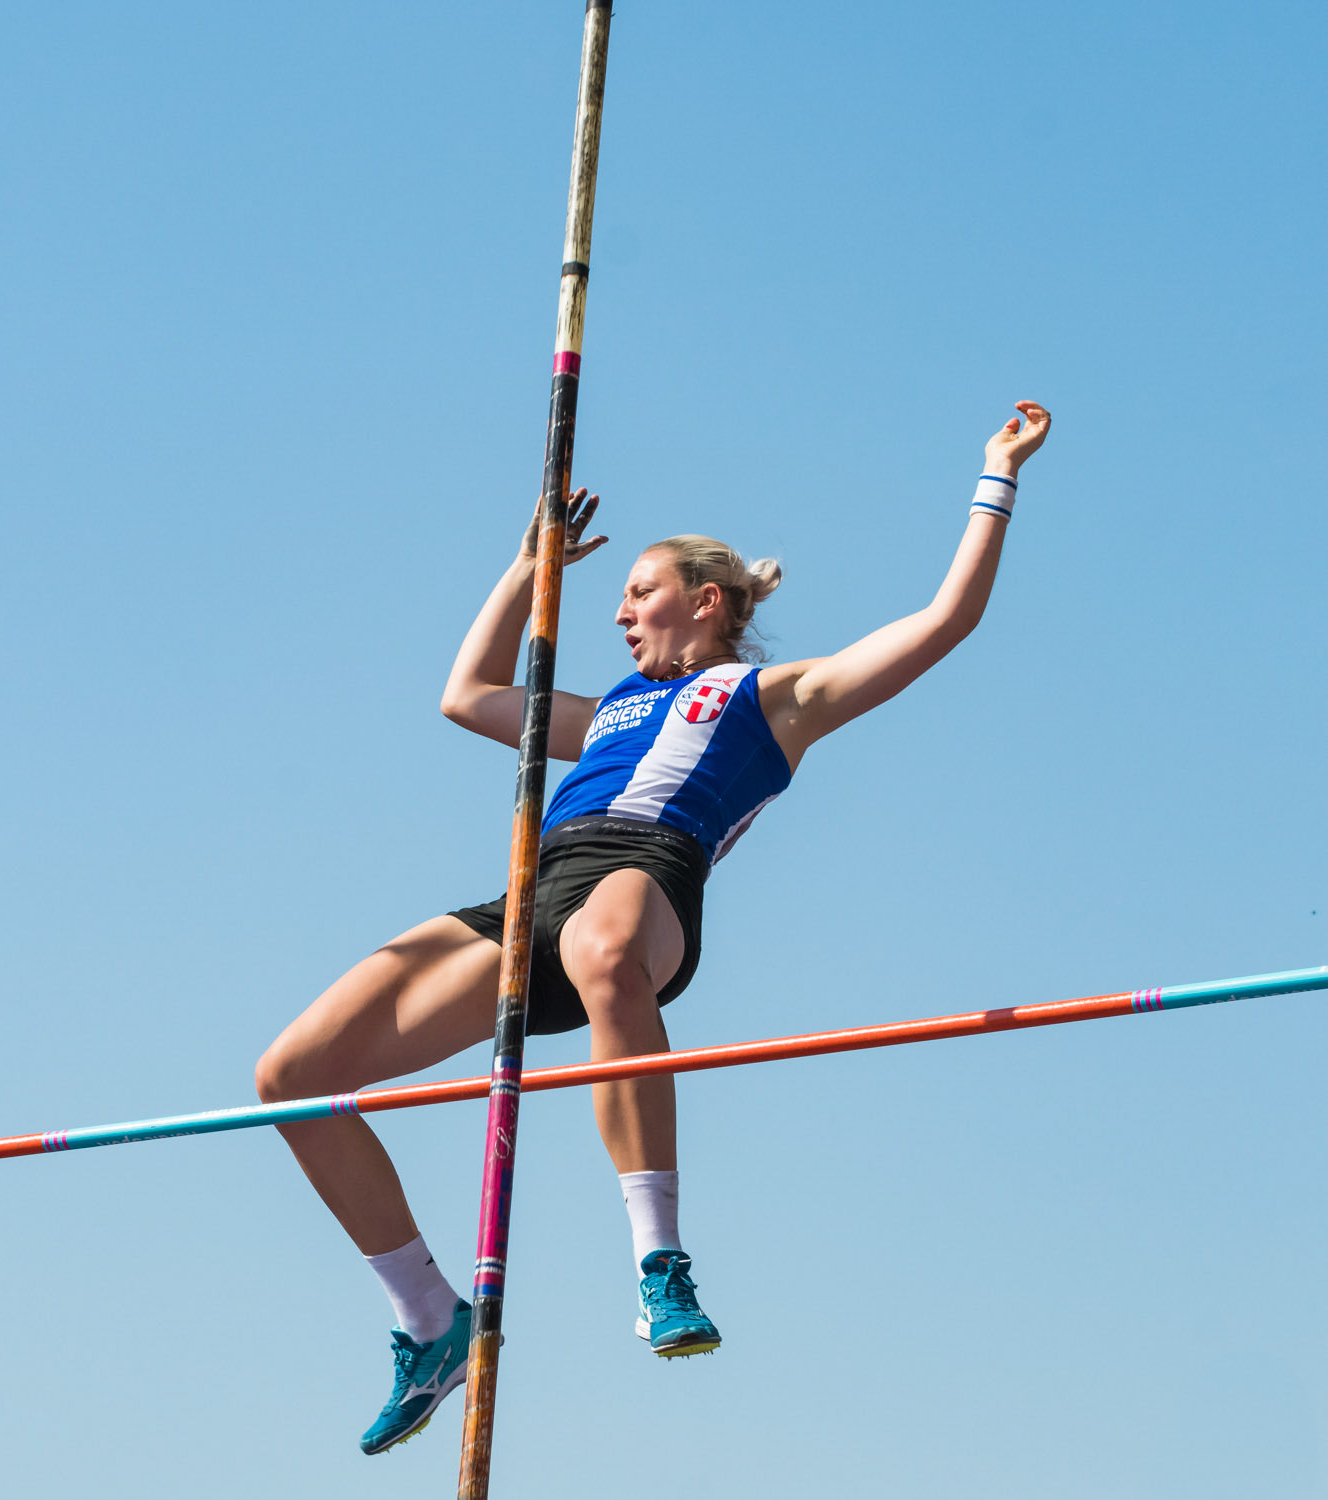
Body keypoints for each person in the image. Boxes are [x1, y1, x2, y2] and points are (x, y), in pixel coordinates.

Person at [255, 401, 1052, 1453]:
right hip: (533, 895)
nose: (621, 612)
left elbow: (946, 620)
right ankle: (430, 1320)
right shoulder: (605, 712)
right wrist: (527, 564)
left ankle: (658, 1262)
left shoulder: (776, 696)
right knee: (291, 1076)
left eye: (639, 592)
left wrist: (997, 475)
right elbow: (468, 695)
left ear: (706, 600)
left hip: (646, 880)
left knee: (606, 945)